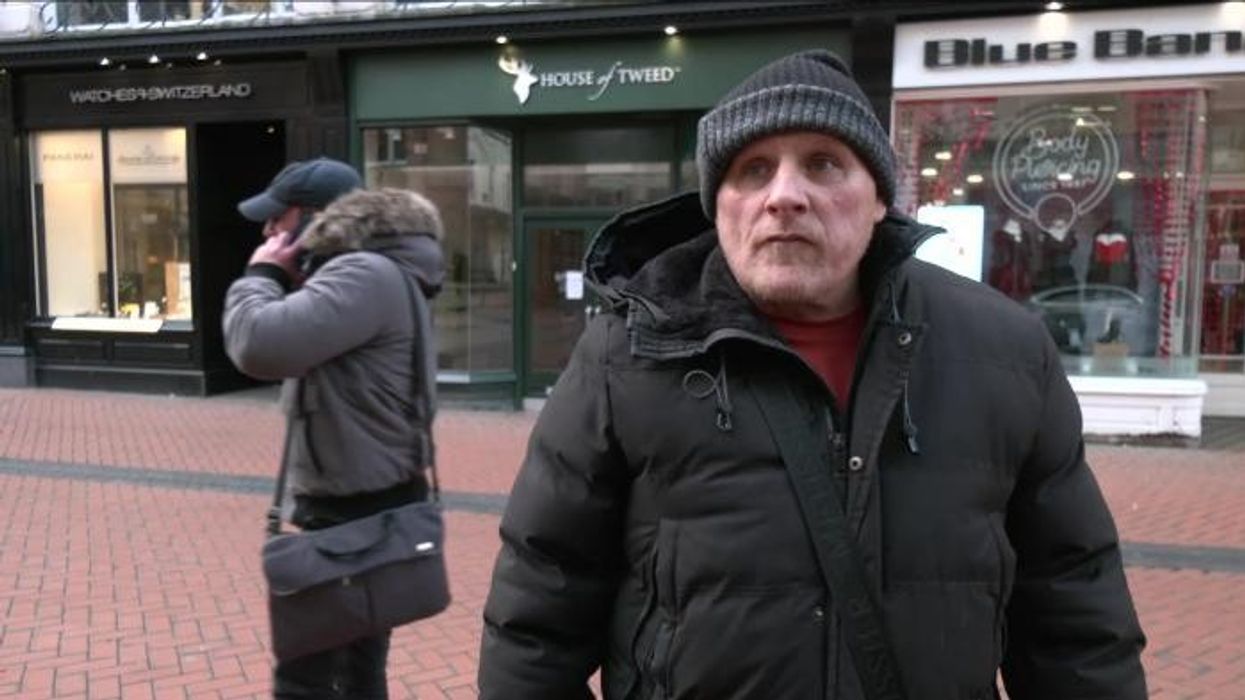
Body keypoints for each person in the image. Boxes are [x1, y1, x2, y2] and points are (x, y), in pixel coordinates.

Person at [478, 50, 1146, 700]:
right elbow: (537, 613)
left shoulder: (1006, 351)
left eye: (823, 164)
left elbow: (1073, 613)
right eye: (752, 169)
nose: (784, 197)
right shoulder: (625, 354)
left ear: (879, 198)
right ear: (719, 207)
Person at [222, 157, 445, 699]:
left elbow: (258, 343)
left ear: (317, 218)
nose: (268, 230)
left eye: (279, 217)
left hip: (352, 514)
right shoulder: (372, 270)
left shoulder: (363, 273)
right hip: (369, 501)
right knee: (353, 671)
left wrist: (263, 275)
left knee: (309, 678)